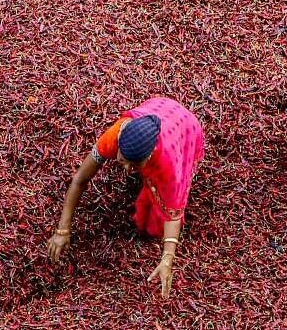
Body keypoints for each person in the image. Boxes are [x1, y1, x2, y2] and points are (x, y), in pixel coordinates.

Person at [47, 96, 204, 298]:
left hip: (183, 128)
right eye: (123, 160)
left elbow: (173, 214)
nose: (128, 169)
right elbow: (80, 179)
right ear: (119, 145)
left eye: (135, 165)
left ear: (150, 156)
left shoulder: (168, 160)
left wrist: (167, 258)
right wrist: (62, 229)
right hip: (159, 107)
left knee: (159, 212)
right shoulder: (114, 136)